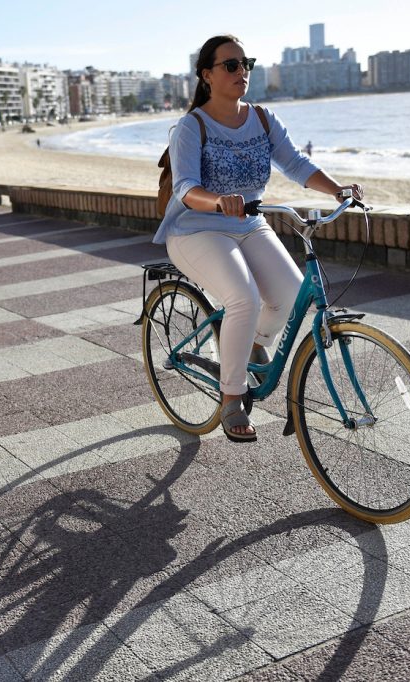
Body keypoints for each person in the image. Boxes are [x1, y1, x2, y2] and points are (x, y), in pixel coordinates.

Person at [153, 35, 362, 443]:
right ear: (207, 75)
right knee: (243, 298)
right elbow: (185, 188)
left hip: (249, 223)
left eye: (245, 63)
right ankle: (232, 395)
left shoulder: (263, 118)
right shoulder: (191, 127)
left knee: (289, 295)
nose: (241, 71)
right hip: (196, 229)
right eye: (230, 65)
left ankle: (247, 344)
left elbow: (296, 164)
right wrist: (217, 201)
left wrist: (338, 191)